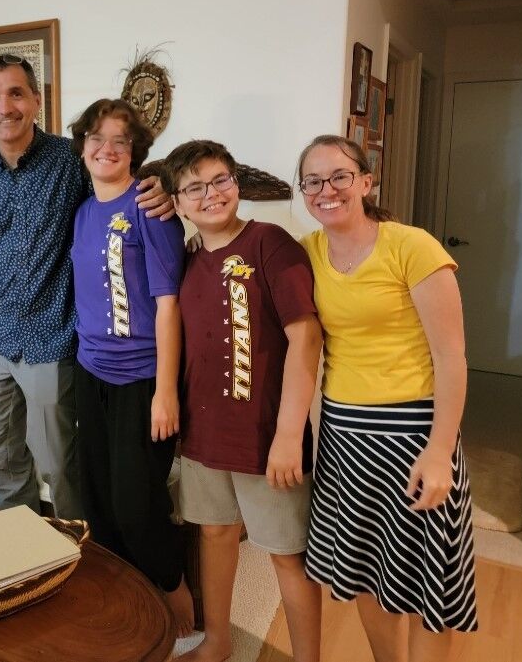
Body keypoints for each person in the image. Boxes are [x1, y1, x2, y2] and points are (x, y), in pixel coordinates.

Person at [0, 54, 172, 519]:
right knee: (2, 462)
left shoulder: (70, 160)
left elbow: (118, 185)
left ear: (36, 100)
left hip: (53, 339)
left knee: (60, 465)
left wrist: (161, 187)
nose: (4, 106)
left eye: (16, 93)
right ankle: (22, 547)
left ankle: (79, 548)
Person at [296, 134, 478, 662]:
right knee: (364, 572)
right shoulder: (306, 252)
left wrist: (440, 451)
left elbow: (451, 357)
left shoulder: (412, 247)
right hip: (345, 438)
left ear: (366, 182)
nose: (327, 190)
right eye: (313, 181)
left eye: (340, 176)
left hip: (415, 435)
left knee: (428, 582)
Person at [162, 139, 322, 662]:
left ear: (236, 184)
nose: (211, 194)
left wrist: (288, 435)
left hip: (267, 435)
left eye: (220, 181)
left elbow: (306, 338)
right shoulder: (184, 259)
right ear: (178, 203)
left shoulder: (270, 243)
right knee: (214, 534)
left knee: (286, 554)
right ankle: (217, 641)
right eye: (195, 188)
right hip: (205, 432)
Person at [67, 98, 194, 635]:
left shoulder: (150, 208)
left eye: (120, 140)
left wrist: (166, 392)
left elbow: (169, 305)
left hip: (141, 379)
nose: (107, 148)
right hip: (90, 371)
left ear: (135, 151)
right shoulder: (82, 212)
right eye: (96, 137)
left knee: (137, 506)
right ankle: (128, 607)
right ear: (82, 146)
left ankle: (181, 604)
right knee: (99, 504)